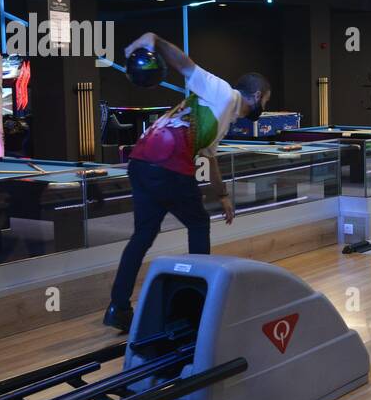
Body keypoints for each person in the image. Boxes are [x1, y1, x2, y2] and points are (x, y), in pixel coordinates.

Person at [102, 32, 271, 331]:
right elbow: (186, 66)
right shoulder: (224, 93)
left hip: (141, 163)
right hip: (167, 166)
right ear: (258, 96)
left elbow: (210, 158)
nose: (265, 106)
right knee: (198, 224)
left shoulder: (222, 116)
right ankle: (196, 302)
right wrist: (155, 41)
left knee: (143, 234)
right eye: (266, 100)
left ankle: (118, 307)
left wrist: (223, 197)